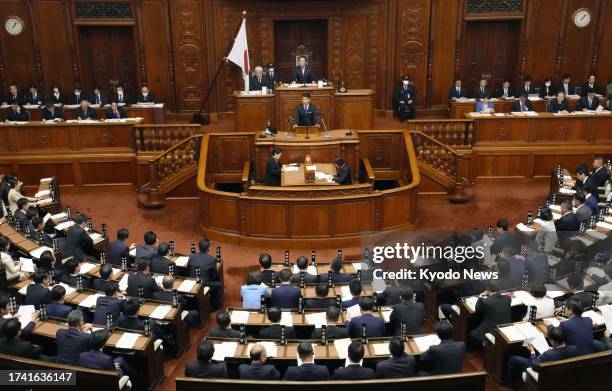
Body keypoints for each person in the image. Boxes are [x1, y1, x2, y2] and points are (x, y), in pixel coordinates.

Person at [505, 326, 579, 385]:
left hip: (545, 375)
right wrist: (553, 349)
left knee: (513, 358)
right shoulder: (574, 348)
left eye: (550, 340)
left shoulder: (548, 355)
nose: (550, 341)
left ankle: (509, 383)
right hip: (564, 374)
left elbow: (534, 365)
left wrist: (532, 351)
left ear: (554, 341)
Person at [187, 238, 222, 309]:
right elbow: (214, 276)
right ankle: (216, 306)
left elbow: (188, 270)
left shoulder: (191, 256)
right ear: (209, 248)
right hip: (203, 284)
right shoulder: (211, 259)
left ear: (199, 247)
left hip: (192, 282)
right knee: (218, 284)